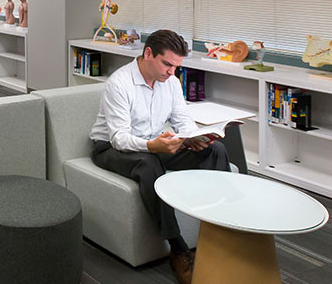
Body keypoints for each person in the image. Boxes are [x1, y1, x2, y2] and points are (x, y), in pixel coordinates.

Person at [89, 29, 230, 284]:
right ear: (148, 53)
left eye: (176, 66)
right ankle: (178, 250)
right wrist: (152, 146)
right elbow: (118, 138)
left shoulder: (171, 83)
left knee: (215, 150)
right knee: (149, 162)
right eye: (167, 64)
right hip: (111, 149)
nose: (171, 72)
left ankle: (220, 234)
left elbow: (182, 120)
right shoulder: (119, 83)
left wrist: (193, 138)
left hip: (156, 143)